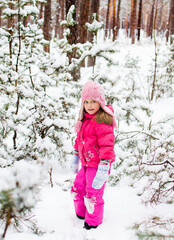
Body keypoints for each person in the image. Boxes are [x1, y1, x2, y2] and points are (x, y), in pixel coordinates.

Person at [71, 80, 117, 230]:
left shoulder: (102, 121)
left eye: (93, 101)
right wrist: (76, 155)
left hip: (98, 165)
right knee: (78, 187)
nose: (89, 105)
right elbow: (80, 139)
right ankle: (81, 213)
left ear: (101, 102)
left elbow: (107, 145)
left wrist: (104, 166)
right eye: (86, 102)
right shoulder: (84, 119)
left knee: (93, 193)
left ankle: (93, 222)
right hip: (85, 163)